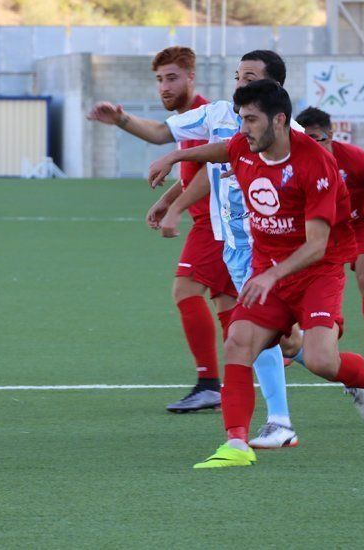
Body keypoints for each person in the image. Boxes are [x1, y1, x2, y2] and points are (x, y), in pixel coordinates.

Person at [148, 80, 364, 468]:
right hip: (267, 268)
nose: (243, 128)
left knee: (323, 360)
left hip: (316, 273)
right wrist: (174, 158)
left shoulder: (316, 164)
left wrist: (271, 277)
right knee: (239, 341)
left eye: (251, 119)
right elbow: (223, 149)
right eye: (241, 118)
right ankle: (237, 445)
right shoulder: (244, 143)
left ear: (280, 120)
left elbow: (318, 244)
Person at [88, 51, 302, 448]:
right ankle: (349, 376)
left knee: (253, 331)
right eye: (238, 75)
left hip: (270, 245)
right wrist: (120, 119)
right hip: (232, 246)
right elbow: (163, 136)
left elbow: (313, 183)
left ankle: (276, 420)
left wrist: (176, 203)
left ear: (274, 88)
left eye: (250, 77)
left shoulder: (291, 132)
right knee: (279, 339)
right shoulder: (219, 115)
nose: (240, 83)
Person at [98, 46, 237, 414]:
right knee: (232, 311)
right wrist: (167, 200)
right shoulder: (187, 118)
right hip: (214, 222)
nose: (164, 86)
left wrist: (175, 208)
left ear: (192, 77)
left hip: (217, 224)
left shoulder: (207, 114)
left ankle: (211, 384)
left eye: (172, 78)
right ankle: (331, 366)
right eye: (159, 79)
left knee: (186, 288)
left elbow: (213, 170)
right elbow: (189, 166)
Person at [287, 107, 364, 419]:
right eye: (306, 139)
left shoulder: (355, 159)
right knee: (292, 284)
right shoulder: (297, 162)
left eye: (318, 139)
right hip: (327, 230)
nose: (313, 146)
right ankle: (293, 341)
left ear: (331, 135)